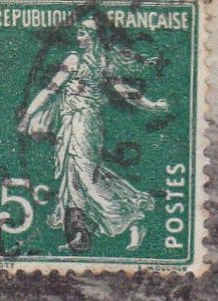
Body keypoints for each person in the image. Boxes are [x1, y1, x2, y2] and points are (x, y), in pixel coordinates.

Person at [16, 15, 164, 253]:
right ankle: (78, 234)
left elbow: (127, 91)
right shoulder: (73, 59)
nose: (79, 37)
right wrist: (28, 116)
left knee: (86, 175)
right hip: (68, 122)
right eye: (79, 33)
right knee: (71, 176)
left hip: (86, 123)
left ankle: (132, 220)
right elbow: (50, 90)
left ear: (94, 37)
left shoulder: (103, 62)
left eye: (83, 33)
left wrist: (152, 105)